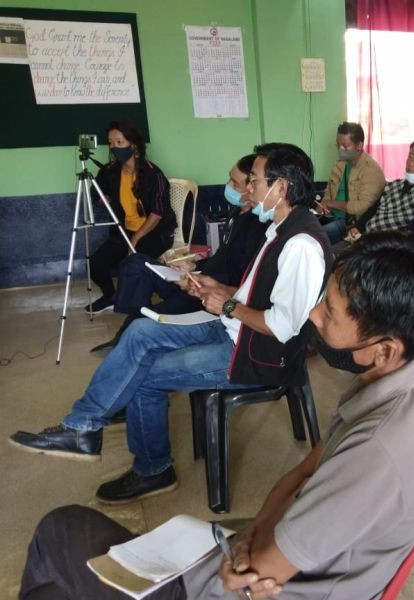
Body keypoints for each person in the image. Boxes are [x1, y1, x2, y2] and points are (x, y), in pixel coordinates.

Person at [20, 231, 414, 600]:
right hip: (255, 549)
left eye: (330, 308)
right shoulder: (396, 384)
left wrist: (248, 550)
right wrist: (252, 531)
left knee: (59, 531)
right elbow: (304, 471)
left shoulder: (379, 453)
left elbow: (259, 575)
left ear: (384, 348)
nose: (314, 313)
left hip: (252, 588)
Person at [9, 143, 333, 503]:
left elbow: (283, 326)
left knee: (145, 376)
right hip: (236, 330)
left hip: (258, 354)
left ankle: (153, 470)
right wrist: (217, 287)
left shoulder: (301, 243)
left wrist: (227, 305)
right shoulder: (279, 227)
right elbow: (257, 295)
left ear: (281, 187)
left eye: (254, 180)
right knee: (140, 333)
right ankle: (82, 427)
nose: (248, 189)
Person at [89, 153, 267, 356]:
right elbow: (223, 259)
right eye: (230, 179)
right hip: (196, 280)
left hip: (208, 294)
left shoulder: (258, 227)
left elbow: (242, 277)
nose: (228, 185)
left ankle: (135, 330)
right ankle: (135, 322)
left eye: (235, 184)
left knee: (142, 320)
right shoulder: (237, 214)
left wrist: (199, 281)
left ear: (252, 188)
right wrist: (193, 266)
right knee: (137, 262)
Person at [85, 120, 177, 314]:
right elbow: (96, 191)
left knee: (131, 264)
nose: (113, 147)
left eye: (119, 142)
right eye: (111, 143)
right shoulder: (110, 171)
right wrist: (105, 199)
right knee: (95, 263)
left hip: (155, 233)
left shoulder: (154, 174)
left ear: (133, 144)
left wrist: (135, 239)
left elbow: (157, 213)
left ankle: (139, 304)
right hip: (123, 231)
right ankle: (111, 296)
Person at [344, 137, 414, 241]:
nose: (411, 162)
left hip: (391, 248)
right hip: (366, 238)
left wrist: (375, 240)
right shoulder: (393, 185)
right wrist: (358, 227)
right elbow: (373, 210)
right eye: (410, 156)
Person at [319, 122, 386, 244]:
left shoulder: (371, 170)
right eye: (338, 145)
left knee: (315, 237)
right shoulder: (340, 164)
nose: (340, 149)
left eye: (345, 146)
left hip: (350, 224)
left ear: (359, 145)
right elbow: (329, 190)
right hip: (330, 217)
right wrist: (322, 205)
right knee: (300, 228)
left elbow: (363, 207)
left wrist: (332, 204)